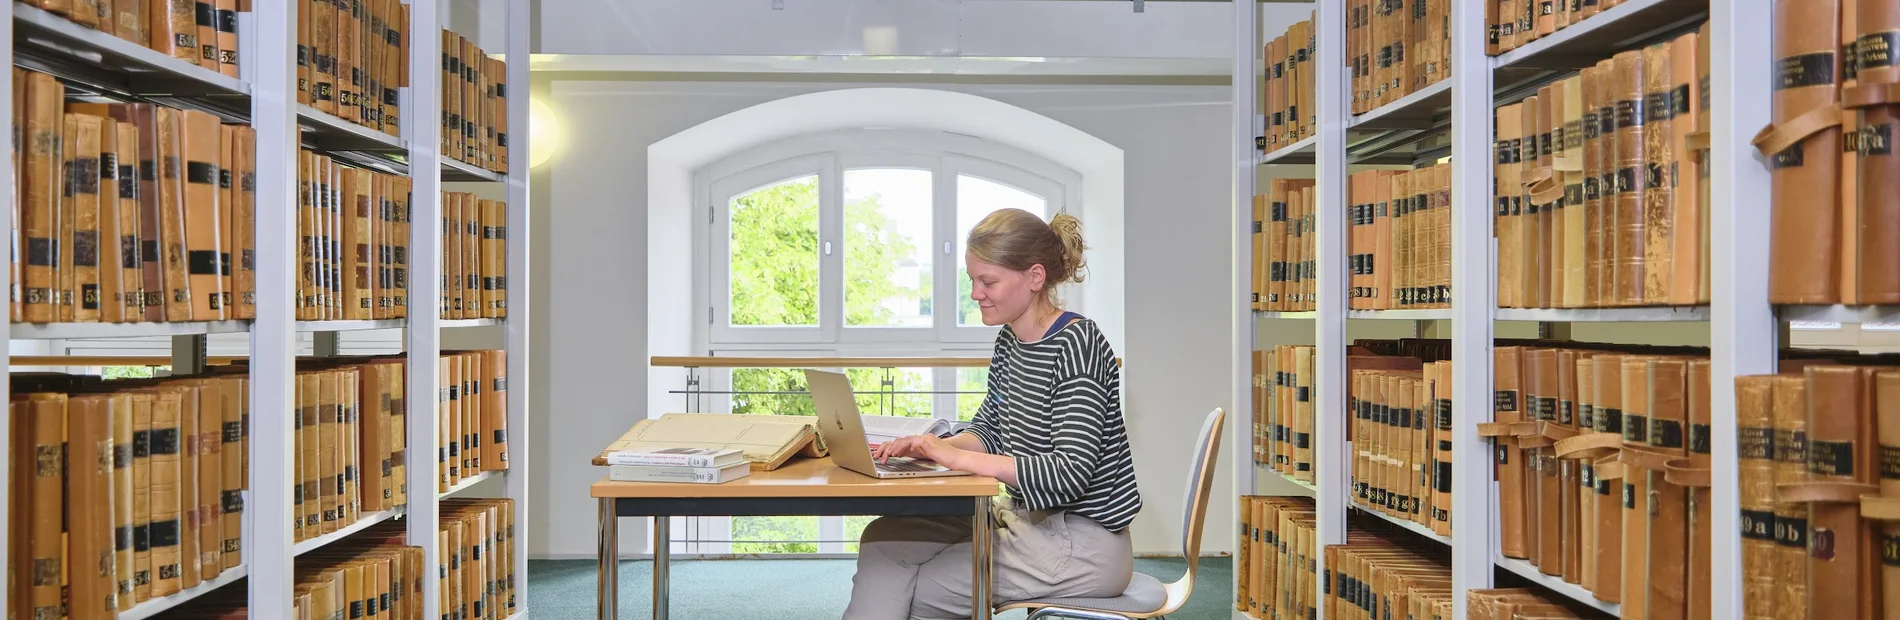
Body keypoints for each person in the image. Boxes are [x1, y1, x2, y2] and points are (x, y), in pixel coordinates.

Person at [843, 208, 1141, 620]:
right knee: (883, 538)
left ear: (1035, 278)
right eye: (972, 280)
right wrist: (935, 449)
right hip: (1024, 521)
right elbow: (990, 430)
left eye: (988, 281)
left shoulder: (1077, 345)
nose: (975, 294)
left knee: (914, 588)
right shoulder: (1009, 342)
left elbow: (1069, 473)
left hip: (1081, 545)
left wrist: (957, 458)